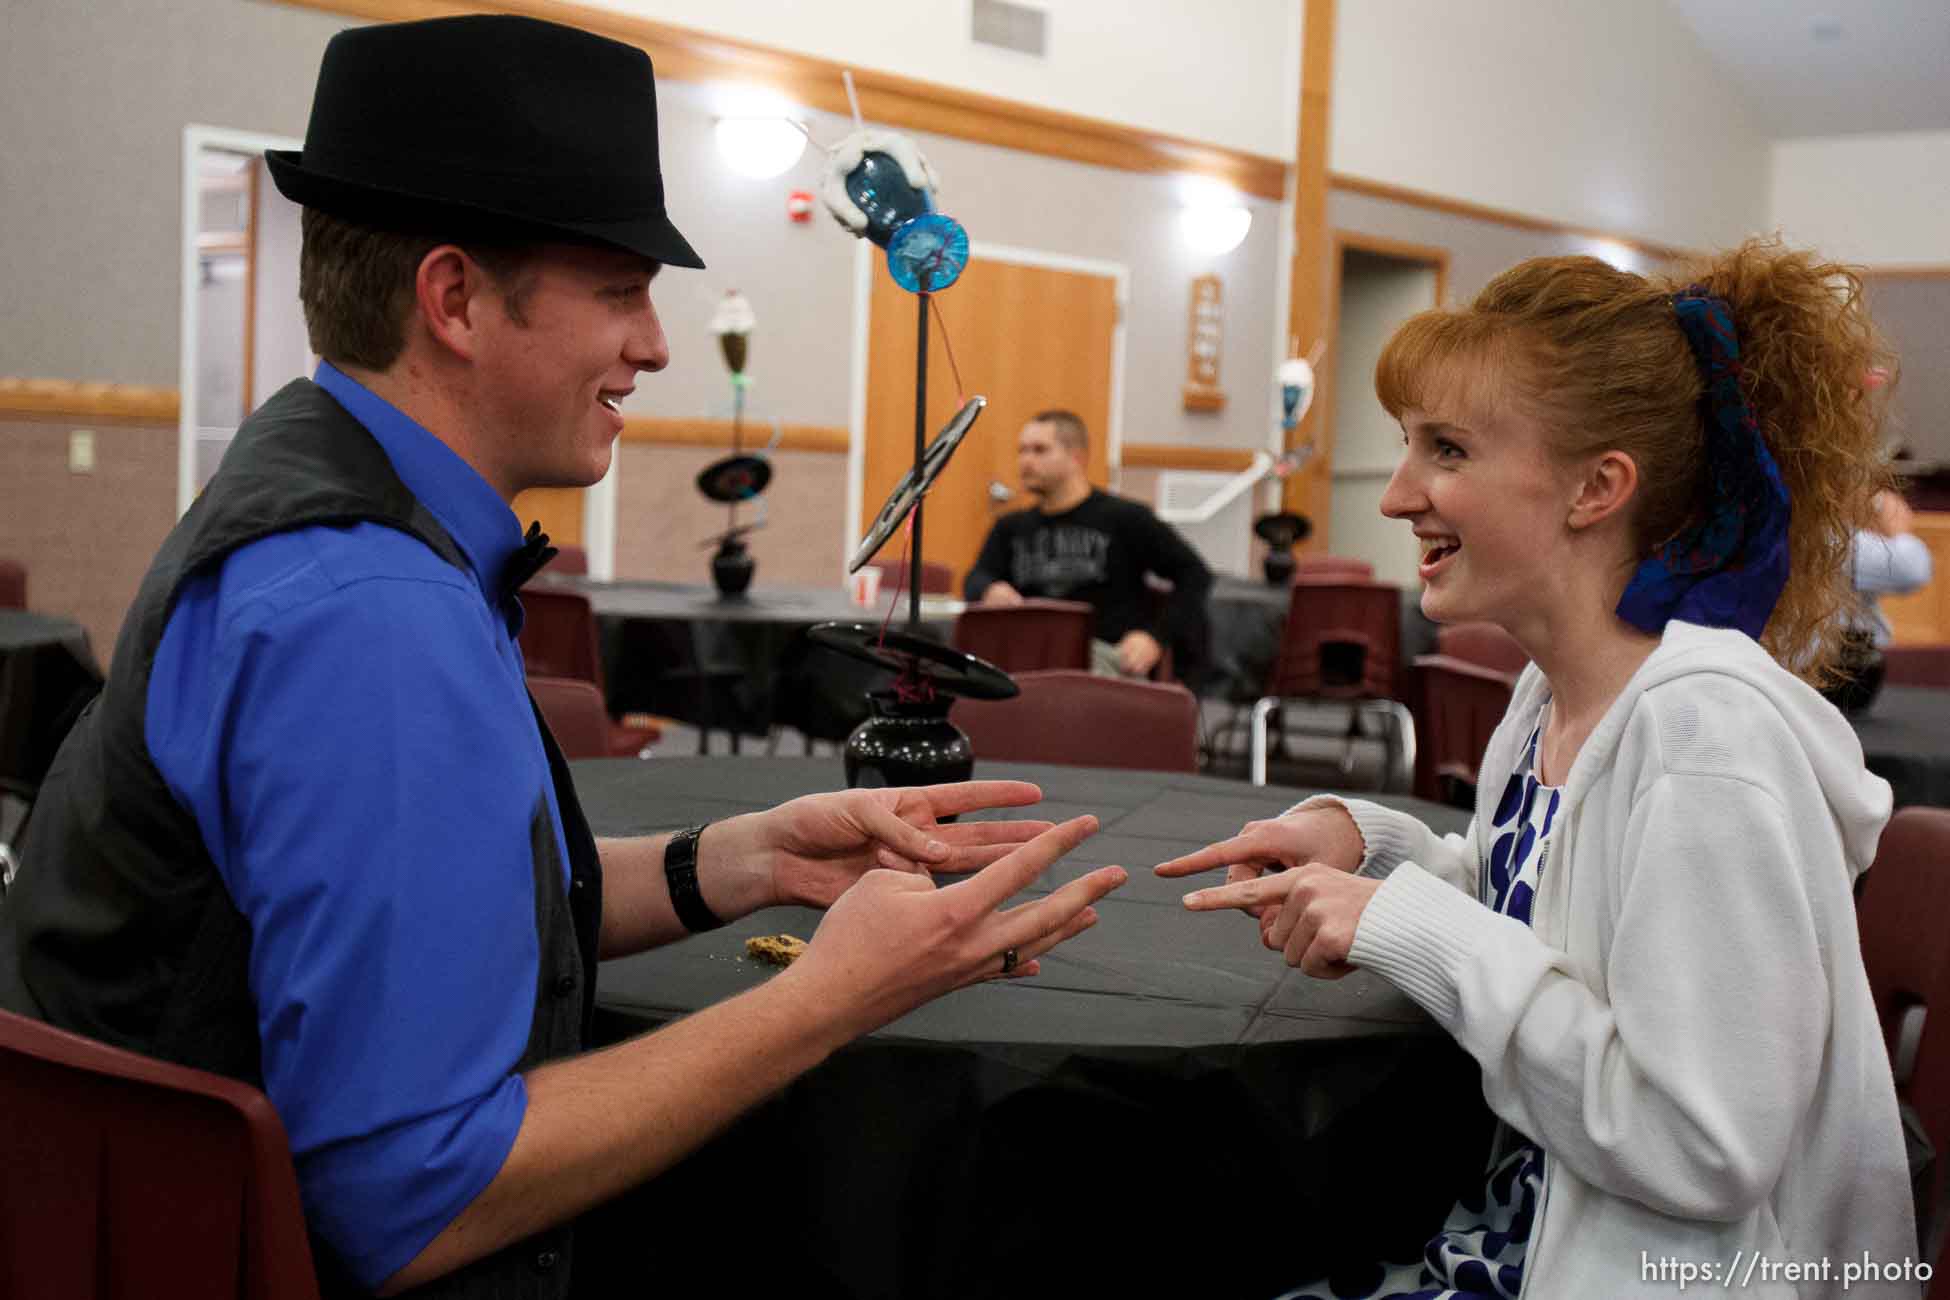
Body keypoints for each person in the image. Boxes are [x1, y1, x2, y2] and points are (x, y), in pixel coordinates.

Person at [0, 17, 1125, 1298]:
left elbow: (443, 907)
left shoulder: (327, 500)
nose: (653, 345)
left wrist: (746, 858)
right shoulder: (373, 610)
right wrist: (833, 1001)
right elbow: (411, 1196)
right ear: (455, 299)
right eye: (619, 289)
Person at [1158, 241, 1915, 1297]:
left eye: (1449, 450)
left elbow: (1704, 1144)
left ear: (1598, 487)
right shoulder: (1553, 691)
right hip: (1505, 1242)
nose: (1400, 493)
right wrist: (1374, 854)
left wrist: (1411, 926)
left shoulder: (1703, 741)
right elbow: (1556, 921)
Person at [965, 410, 1212, 680]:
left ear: (1076, 458)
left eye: (1040, 450)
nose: (1026, 461)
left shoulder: (1125, 518)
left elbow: (1194, 574)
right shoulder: (1010, 527)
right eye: (1022, 450)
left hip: (1103, 657)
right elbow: (975, 578)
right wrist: (990, 588)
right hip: (1030, 657)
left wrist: (1154, 638)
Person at [1852, 486, 1933, 648]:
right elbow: (1912, 569)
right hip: (1836, 663)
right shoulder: (1827, 537)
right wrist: (1896, 525)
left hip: (1856, 655)